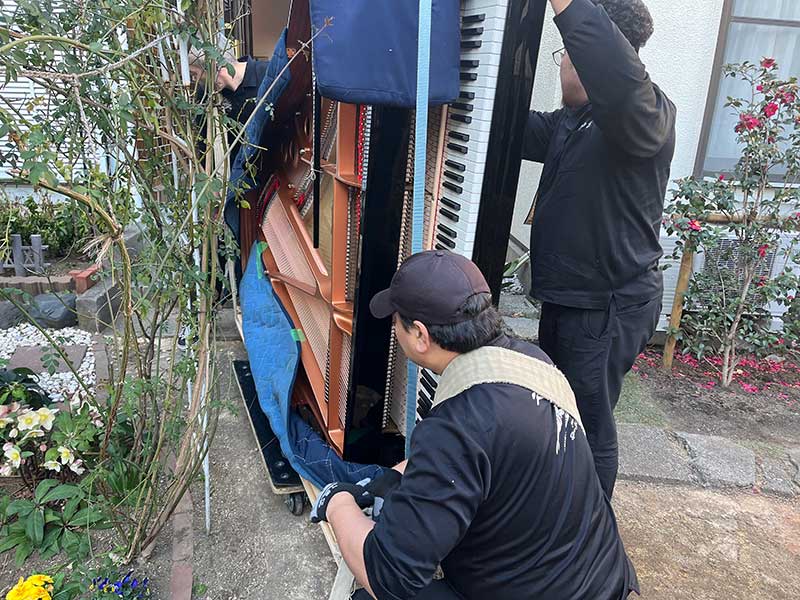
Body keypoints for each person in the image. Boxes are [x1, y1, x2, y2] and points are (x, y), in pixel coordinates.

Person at [310, 250, 639, 599]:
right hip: (599, 580)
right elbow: (479, 458)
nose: (393, 328)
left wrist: (338, 502)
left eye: (396, 321)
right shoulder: (531, 361)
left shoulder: (457, 426)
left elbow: (387, 576)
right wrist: (395, 476)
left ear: (420, 335)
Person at [522, 0, 676, 498]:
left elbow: (613, 69)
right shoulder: (570, 122)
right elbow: (511, 125)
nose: (562, 65)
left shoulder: (643, 115)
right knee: (557, 408)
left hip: (608, 306)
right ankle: (554, 507)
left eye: (565, 53)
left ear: (592, 57)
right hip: (568, 297)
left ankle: (591, 528)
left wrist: (571, 13)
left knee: (588, 423)